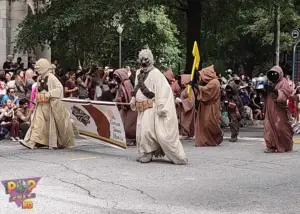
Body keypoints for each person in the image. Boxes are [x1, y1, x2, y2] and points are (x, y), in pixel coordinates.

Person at [130, 48, 187, 165]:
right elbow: (136, 88)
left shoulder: (156, 74)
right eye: (141, 59)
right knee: (141, 131)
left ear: (150, 59)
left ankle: (149, 153)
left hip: (151, 108)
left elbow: (164, 91)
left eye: (146, 59)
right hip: (141, 108)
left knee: (147, 131)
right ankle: (146, 153)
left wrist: (161, 106)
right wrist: (133, 98)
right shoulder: (138, 73)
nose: (143, 61)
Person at [19, 58, 75, 150]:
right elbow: (38, 90)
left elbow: (59, 88)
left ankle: (49, 142)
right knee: (37, 123)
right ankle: (30, 142)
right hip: (41, 104)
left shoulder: (52, 77)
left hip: (50, 105)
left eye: (39, 68)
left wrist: (49, 94)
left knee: (50, 125)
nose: (37, 71)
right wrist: (37, 98)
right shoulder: (39, 78)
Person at [264, 66, 293, 153]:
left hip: (280, 110)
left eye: (275, 74)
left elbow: (286, 94)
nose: (273, 76)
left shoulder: (284, 82)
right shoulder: (272, 83)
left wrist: (275, 91)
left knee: (281, 127)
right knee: (268, 127)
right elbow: (266, 96)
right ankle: (271, 146)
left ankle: (285, 145)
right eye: (271, 74)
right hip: (270, 109)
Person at [193, 65, 223, 147]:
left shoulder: (214, 82)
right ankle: (205, 140)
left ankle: (216, 136)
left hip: (211, 106)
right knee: (204, 123)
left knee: (209, 123)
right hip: (206, 106)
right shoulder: (210, 82)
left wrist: (197, 86)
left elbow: (207, 90)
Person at [113, 68, 137, 146]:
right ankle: (122, 138)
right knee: (119, 122)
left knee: (129, 126)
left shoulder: (126, 83)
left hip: (130, 107)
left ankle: (132, 139)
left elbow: (128, 97)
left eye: (116, 76)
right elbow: (118, 96)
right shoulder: (120, 85)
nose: (115, 78)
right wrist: (115, 101)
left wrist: (119, 100)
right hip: (124, 107)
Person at [176, 74, 195, 140]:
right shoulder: (185, 88)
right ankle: (185, 134)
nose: (180, 81)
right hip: (183, 109)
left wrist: (181, 101)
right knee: (183, 120)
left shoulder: (189, 89)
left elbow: (191, 100)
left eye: (182, 79)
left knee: (186, 121)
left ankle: (186, 134)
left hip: (187, 110)